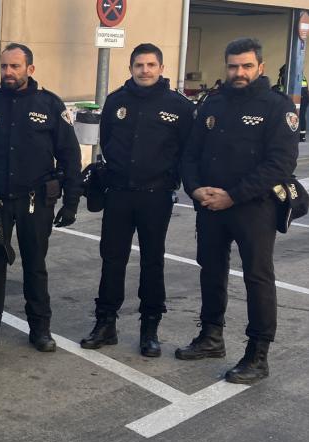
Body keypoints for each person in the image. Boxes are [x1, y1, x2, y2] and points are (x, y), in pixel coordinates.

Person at [177, 38, 298, 384]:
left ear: (260, 67)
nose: (239, 72)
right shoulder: (214, 103)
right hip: (211, 206)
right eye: (233, 66)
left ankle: (258, 355)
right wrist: (195, 188)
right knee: (210, 271)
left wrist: (233, 195)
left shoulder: (277, 107)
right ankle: (211, 337)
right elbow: (191, 153)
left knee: (257, 278)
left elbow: (280, 164)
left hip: (254, 208)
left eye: (246, 66)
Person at [0, 43, 82, 355]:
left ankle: (41, 329)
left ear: (30, 70)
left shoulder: (49, 105)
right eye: (4, 67)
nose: (8, 73)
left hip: (35, 202)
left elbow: (69, 156)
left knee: (36, 266)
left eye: (15, 67)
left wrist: (72, 201)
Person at [79, 43, 194, 357]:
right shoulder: (117, 100)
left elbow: (187, 151)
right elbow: (107, 140)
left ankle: (150, 328)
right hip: (118, 194)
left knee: (152, 261)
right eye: (139, 65)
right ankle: (105, 323)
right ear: (130, 68)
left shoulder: (179, 106)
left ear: (161, 67)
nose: (145, 70)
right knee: (112, 258)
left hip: (156, 197)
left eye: (151, 65)